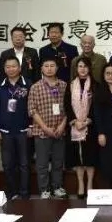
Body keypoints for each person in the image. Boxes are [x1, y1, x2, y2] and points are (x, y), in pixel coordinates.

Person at [0, 57, 32, 200]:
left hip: (24, 131)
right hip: (5, 132)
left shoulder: (28, 84)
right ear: (4, 69)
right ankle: (12, 192)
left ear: (19, 68)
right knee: (8, 164)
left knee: (24, 164)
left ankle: (24, 193)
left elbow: (33, 106)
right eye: (8, 67)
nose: (11, 69)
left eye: (14, 66)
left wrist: (31, 125)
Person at [28, 58, 68, 199]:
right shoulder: (35, 87)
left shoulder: (64, 85)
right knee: (42, 163)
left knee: (58, 162)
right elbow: (32, 110)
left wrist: (62, 125)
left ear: (57, 68)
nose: (49, 68)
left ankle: (57, 187)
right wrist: (45, 128)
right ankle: (44, 189)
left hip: (59, 131)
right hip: (42, 131)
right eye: (46, 66)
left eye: (52, 65)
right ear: (42, 69)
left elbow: (69, 108)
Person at [64, 57, 98, 198]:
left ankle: (89, 184)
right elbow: (66, 105)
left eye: (85, 66)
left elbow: (97, 106)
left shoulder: (95, 85)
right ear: (76, 69)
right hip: (75, 127)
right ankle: (81, 185)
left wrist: (87, 120)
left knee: (90, 156)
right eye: (80, 66)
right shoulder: (71, 85)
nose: (82, 69)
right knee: (77, 158)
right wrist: (74, 121)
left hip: (90, 126)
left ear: (89, 68)